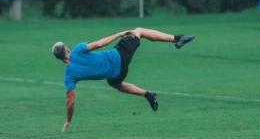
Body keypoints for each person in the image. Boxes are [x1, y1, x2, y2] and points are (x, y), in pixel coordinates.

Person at [52, 28, 195, 132]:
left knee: (115, 84)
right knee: (139, 31)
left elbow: (70, 101)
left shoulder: (69, 75)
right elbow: (100, 43)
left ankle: (147, 94)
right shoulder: (77, 50)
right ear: (68, 50)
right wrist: (119, 34)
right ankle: (177, 39)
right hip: (120, 56)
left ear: (60, 60)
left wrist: (68, 121)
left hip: (117, 74)